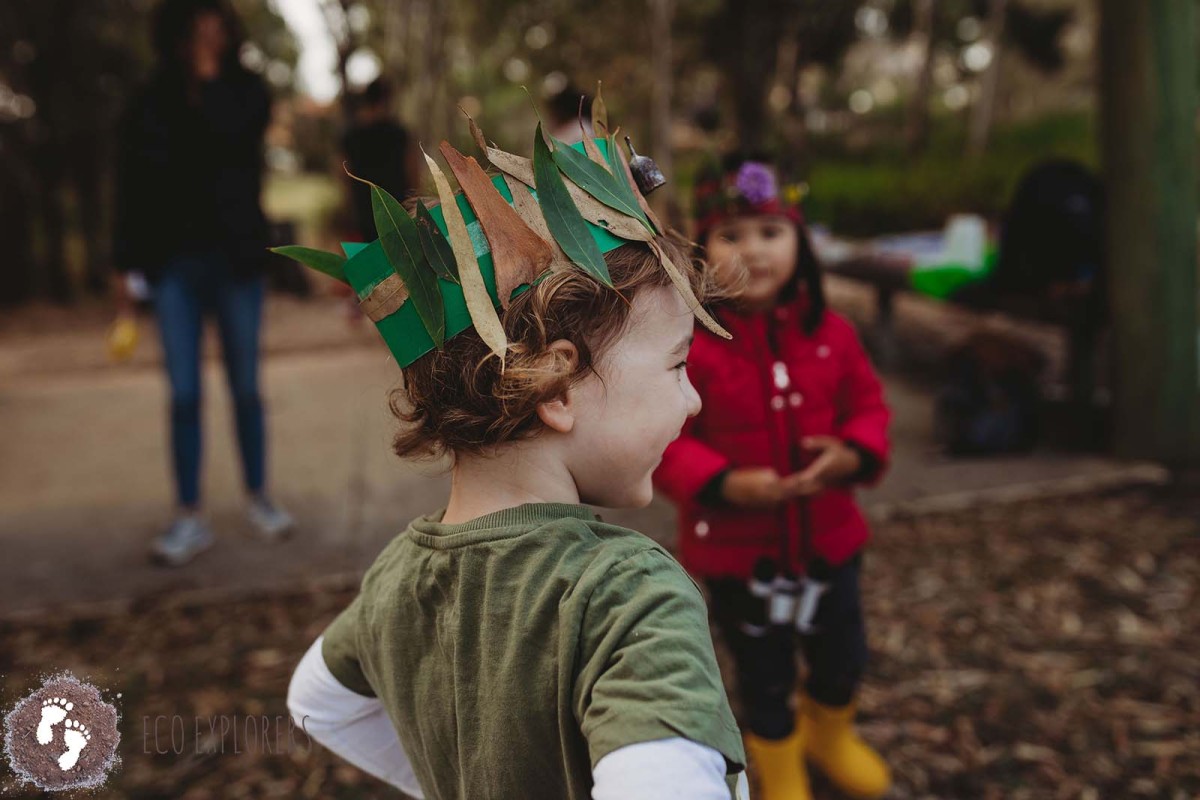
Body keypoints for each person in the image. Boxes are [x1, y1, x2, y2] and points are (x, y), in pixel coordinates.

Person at [284, 110, 748, 799]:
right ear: (558, 384)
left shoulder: (395, 583)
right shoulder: (623, 595)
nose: (694, 402)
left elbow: (316, 700)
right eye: (678, 365)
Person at [654, 156, 892, 800]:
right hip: (740, 556)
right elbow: (668, 439)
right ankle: (780, 763)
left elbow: (869, 408)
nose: (754, 251)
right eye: (732, 235)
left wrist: (852, 453)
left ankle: (830, 735)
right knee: (763, 672)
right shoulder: (690, 347)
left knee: (842, 656)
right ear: (701, 249)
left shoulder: (832, 335)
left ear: (800, 243)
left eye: (770, 232)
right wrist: (723, 482)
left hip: (831, 541)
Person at [112, 0, 292, 566]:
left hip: (236, 262)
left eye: (217, 18)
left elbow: (235, 144)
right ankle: (189, 515)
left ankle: (260, 498)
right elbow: (130, 185)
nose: (209, 28)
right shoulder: (149, 100)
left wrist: (211, 79)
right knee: (184, 393)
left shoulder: (247, 92)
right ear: (178, 27)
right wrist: (123, 266)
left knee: (245, 387)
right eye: (198, 19)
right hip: (173, 267)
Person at [342, 78, 418, 240]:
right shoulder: (398, 133)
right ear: (387, 100)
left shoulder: (351, 135)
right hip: (397, 209)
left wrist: (349, 209)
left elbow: (342, 176)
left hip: (364, 210)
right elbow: (412, 171)